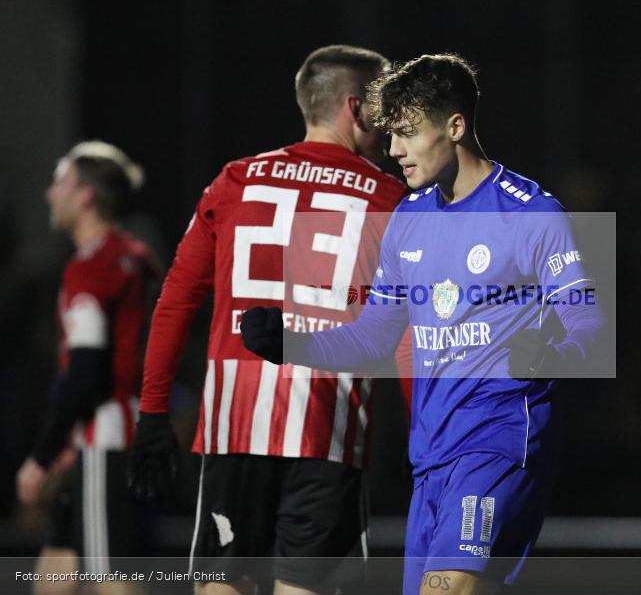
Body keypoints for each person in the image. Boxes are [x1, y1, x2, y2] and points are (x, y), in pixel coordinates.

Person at [241, 54, 604, 595]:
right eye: (390, 135)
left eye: (408, 134)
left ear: (455, 126)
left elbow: (588, 324)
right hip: (431, 458)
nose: (393, 151)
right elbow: (372, 337)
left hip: (497, 445)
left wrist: (550, 355)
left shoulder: (530, 213)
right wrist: (289, 343)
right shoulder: (409, 220)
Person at [128, 44, 410, 595]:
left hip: (236, 423)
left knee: (222, 587)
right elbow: (406, 335)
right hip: (327, 427)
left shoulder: (235, 181)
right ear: (354, 108)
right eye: (382, 106)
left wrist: (154, 413)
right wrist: (425, 438)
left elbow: (177, 299)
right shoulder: (392, 198)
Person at [16, 141, 159, 595]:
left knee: (112, 578)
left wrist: (41, 457)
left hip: (105, 438)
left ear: (86, 196)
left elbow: (84, 373)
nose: (48, 195)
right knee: (56, 568)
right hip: (113, 434)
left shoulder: (93, 268)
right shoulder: (130, 255)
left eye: (60, 183)